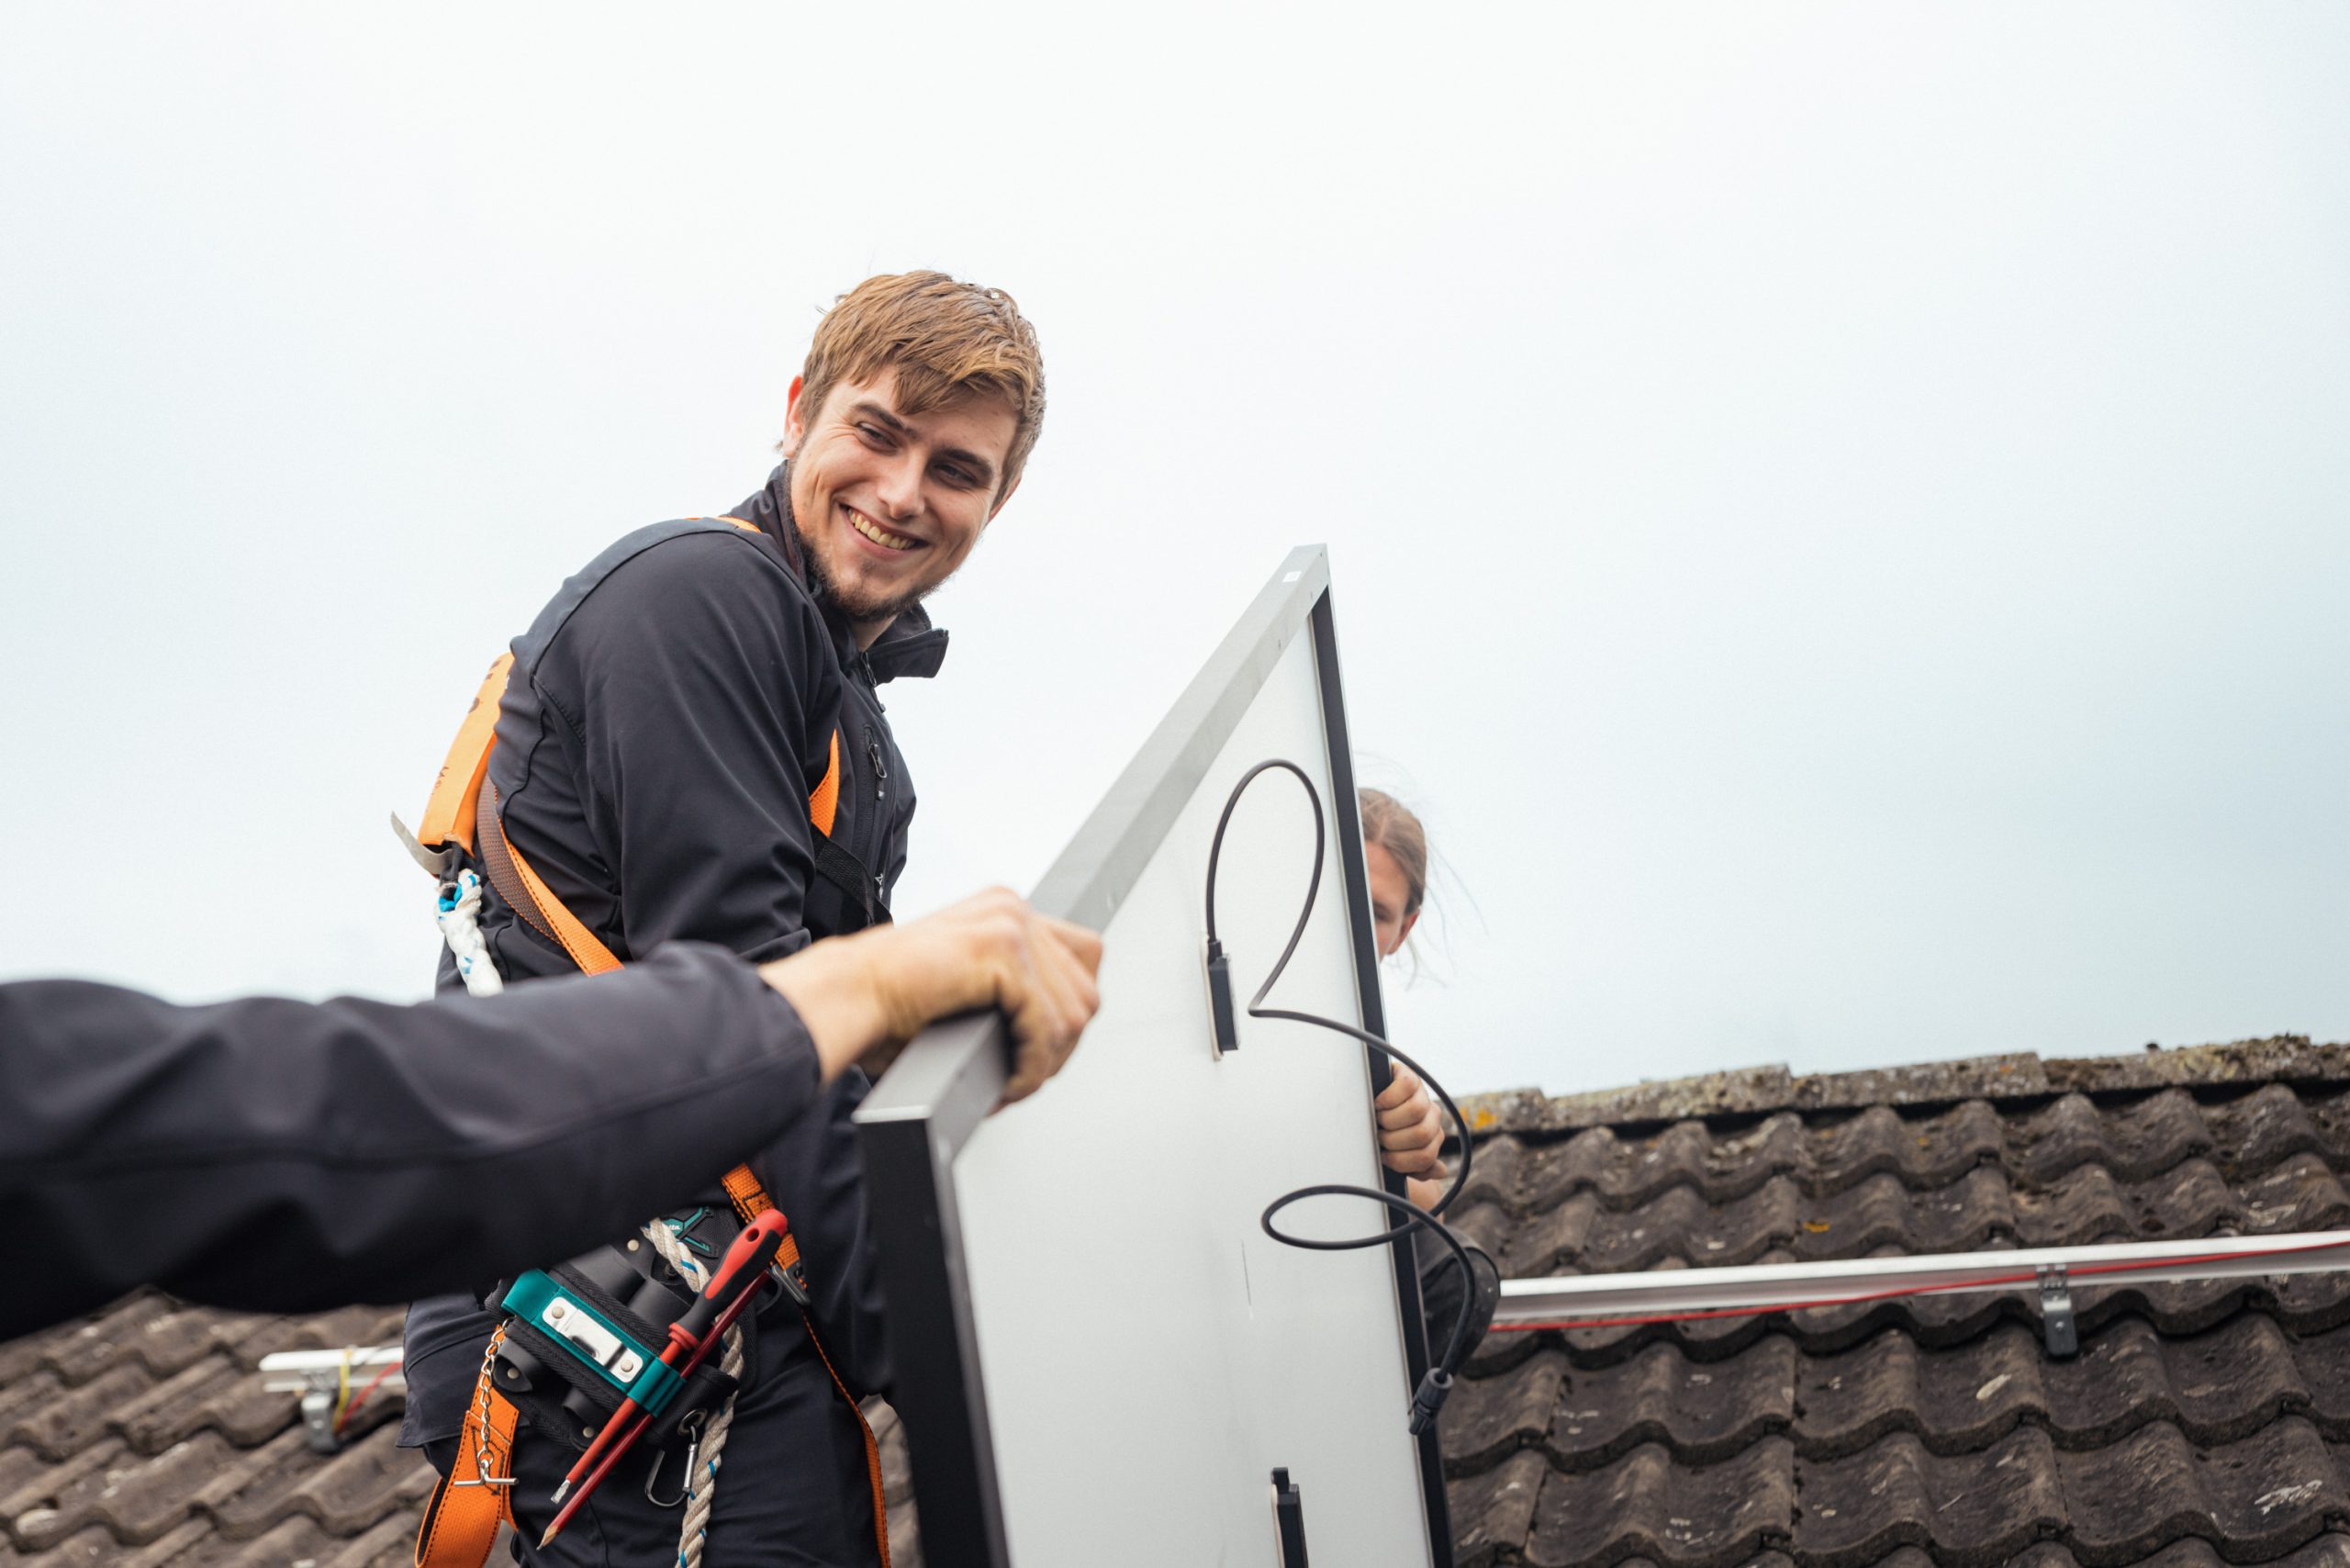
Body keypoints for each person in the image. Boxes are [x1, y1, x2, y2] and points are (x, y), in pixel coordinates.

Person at [1, 889, 1101, 1343]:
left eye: (958, 468)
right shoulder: (699, 602)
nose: (906, 495)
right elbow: (307, 1125)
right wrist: (847, 991)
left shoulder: (850, 714)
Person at [1361, 786, 1447, 1210]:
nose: (1350, 922)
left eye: (1375, 913)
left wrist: (1412, 1143)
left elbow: (1433, 1205)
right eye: (1336, 896)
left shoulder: (1373, 1059)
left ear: (1404, 930)